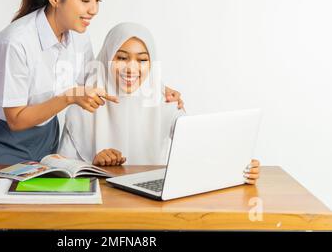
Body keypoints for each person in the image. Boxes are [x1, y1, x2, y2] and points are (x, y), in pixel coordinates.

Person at [0, 0, 183, 164]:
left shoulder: (79, 35)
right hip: (1, 136)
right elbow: (15, 119)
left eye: (97, 0)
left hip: (45, 133)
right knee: (4, 196)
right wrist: (68, 97)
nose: (94, 9)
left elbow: (97, 77)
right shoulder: (14, 42)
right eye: (85, 0)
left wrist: (159, 88)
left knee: (41, 197)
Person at [58, 22, 260, 184]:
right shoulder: (82, 105)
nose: (131, 68)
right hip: (100, 205)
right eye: (121, 57)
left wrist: (237, 165)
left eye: (142, 60)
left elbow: (197, 147)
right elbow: (60, 169)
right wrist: (94, 165)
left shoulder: (165, 101)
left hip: (151, 199)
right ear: (106, 58)